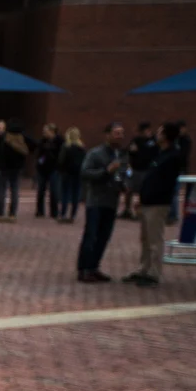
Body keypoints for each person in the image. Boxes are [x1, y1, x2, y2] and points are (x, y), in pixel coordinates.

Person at [129, 122, 184, 287]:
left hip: (158, 203)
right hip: (148, 201)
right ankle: (143, 269)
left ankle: (154, 273)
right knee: (145, 238)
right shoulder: (160, 153)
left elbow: (163, 183)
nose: (156, 135)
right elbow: (149, 175)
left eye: (160, 132)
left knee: (155, 239)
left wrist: (148, 196)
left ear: (166, 136)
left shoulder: (173, 156)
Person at [76, 121, 128, 283]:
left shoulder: (121, 155)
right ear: (107, 135)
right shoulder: (95, 153)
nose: (120, 136)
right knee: (91, 235)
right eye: (116, 133)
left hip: (111, 201)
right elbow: (85, 172)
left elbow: (123, 174)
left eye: (121, 133)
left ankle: (94, 267)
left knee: (104, 236)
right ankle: (84, 269)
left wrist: (124, 185)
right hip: (96, 201)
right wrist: (106, 171)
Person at [0, 120, 30, 221]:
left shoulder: (4, 138)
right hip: (17, 168)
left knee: (2, 190)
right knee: (14, 190)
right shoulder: (22, 139)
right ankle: (12, 213)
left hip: (3, 168)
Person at [122, 120, 156, 220]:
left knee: (143, 191)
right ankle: (127, 210)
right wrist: (131, 150)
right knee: (128, 190)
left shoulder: (153, 141)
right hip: (134, 169)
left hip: (146, 170)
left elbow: (153, 153)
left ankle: (140, 212)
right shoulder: (136, 140)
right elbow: (128, 150)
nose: (146, 133)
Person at [57, 126, 85, 223]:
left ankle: (63, 214)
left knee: (65, 193)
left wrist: (61, 170)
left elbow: (61, 160)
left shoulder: (66, 146)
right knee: (75, 195)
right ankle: (73, 215)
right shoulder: (82, 147)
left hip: (67, 173)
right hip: (78, 174)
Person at [35, 122, 63, 219]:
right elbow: (39, 154)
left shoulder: (60, 142)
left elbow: (61, 156)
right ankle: (39, 210)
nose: (44, 133)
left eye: (46, 131)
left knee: (54, 191)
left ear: (52, 132)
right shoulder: (42, 141)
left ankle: (54, 212)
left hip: (54, 169)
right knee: (41, 190)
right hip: (42, 169)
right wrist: (39, 163)